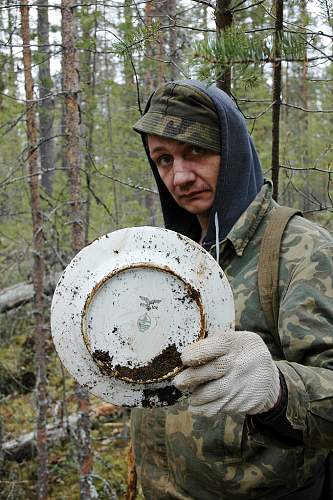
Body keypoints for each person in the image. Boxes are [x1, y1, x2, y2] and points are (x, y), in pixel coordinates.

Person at [130, 80, 333, 499]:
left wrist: (277, 389)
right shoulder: (171, 261)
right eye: (164, 160)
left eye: (196, 151)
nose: (180, 176)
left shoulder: (301, 251)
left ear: (234, 150)